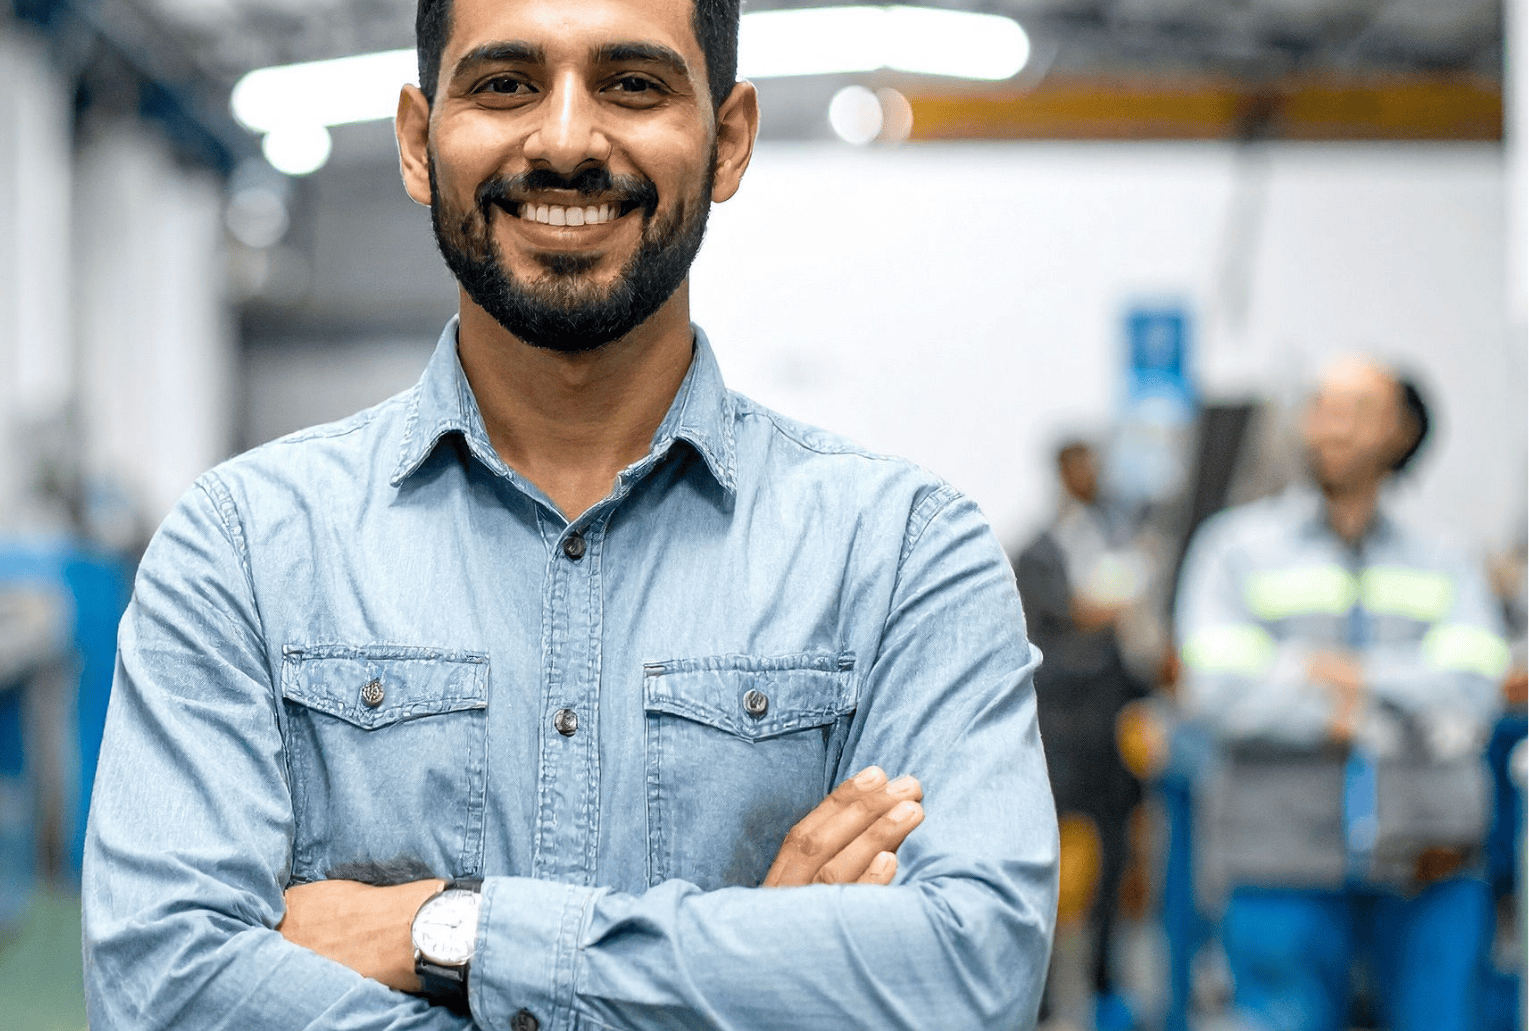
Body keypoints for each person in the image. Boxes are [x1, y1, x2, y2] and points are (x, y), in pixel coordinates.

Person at [80, 0, 1058, 1026]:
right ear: (419, 142)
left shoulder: (903, 553)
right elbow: (163, 988)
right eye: (505, 84)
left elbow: (966, 975)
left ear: (727, 141)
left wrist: (446, 929)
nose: (563, 140)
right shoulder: (242, 548)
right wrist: (751, 973)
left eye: (633, 84)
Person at [1175, 357, 1505, 1031]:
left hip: (1427, 867)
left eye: (1356, 409)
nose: (1332, 426)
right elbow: (1217, 687)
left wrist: (1347, 676)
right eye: (1321, 406)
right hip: (1279, 866)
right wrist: (1363, 706)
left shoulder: (1447, 558)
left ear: (1401, 431)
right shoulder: (1235, 551)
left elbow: (1475, 687)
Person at [1014, 440, 1155, 1027]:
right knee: (1046, 864)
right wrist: (1090, 622)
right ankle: (1038, 996)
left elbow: (1135, 647)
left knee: (1116, 862)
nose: (1092, 476)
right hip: (1057, 737)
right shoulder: (1035, 553)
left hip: (1112, 738)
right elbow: (1040, 645)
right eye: (1082, 466)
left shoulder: (1120, 541)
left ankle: (1104, 982)